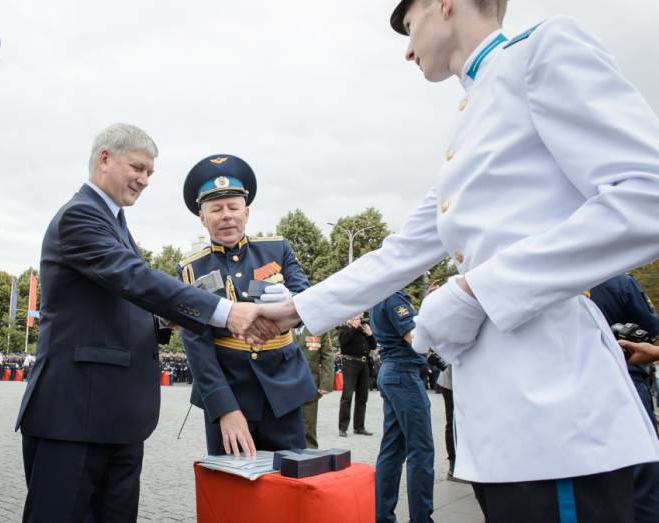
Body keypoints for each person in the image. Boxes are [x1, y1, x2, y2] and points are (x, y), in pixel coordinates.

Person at [257, 1, 659, 520]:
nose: (406, 49)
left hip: (558, 419)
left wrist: (475, 290)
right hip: (501, 433)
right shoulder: (470, 120)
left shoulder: (541, 52)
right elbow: (403, 251)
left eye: (408, 25)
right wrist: (291, 311)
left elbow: (645, 197)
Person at [15, 126, 273, 522]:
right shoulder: (80, 215)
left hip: (114, 417)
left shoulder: (114, 221)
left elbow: (122, 300)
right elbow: (133, 277)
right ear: (105, 159)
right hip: (74, 416)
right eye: (137, 167)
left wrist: (165, 317)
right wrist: (224, 311)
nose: (144, 180)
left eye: (150, 173)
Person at [174, 154, 318, 457]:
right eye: (216, 209)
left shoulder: (277, 248)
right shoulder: (191, 269)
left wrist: (292, 304)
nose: (226, 216)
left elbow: (305, 297)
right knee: (232, 491)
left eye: (233, 207)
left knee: (289, 485)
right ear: (202, 217)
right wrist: (223, 407)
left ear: (247, 212)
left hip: (284, 388)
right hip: (230, 391)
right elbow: (196, 343)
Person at [589, 274, 659, 522]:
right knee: (642, 479)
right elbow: (654, 334)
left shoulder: (532, 277)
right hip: (626, 382)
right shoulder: (616, 281)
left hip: (561, 394)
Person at [370, 291, 435, 521]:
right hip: (404, 373)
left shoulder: (379, 297)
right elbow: (415, 339)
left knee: (392, 450)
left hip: (392, 372)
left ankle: (383, 516)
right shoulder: (394, 297)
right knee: (421, 450)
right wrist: (434, 313)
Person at [336, 315, 375, 437]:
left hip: (364, 364)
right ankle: (343, 427)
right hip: (350, 363)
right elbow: (343, 342)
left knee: (362, 397)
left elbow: (373, 346)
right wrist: (353, 327)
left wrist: (370, 334)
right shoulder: (344, 329)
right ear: (349, 319)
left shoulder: (362, 331)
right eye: (357, 317)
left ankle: (359, 427)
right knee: (347, 396)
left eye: (361, 317)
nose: (360, 320)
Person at [298, 328, 335, 449]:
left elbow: (327, 355)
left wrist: (326, 383)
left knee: (308, 428)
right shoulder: (281, 323)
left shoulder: (319, 327)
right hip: (282, 384)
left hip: (309, 385)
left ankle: (310, 459)